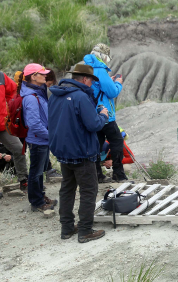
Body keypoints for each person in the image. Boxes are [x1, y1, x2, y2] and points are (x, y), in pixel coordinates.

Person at [49, 64, 109, 243]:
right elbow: (94, 125)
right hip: (82, 153)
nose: (91, 84)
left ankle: (66, 228)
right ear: (85, 79)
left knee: (67, 190)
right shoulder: (81, 97)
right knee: (89, 191)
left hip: (63, 152)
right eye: (91, 81)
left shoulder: (55, 95)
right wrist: (103, 115)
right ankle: (85, 231)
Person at [82, 43, 125, 183]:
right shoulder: (100, 69)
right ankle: (118, 174)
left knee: (97, 143)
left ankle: (97, 174)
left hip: (92, 112)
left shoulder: (87, 67)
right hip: (105, 113)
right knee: (117, 141)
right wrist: (118, 83)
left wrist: (109, 81)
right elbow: (112, 92)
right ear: (103, 56)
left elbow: (98, 86)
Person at [19, 64, 57, 212]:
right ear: (33, 77)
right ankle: (37, 202)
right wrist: (51, 135)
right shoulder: (31, 97)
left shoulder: (37, 92)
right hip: (38, 139)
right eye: (42, 74)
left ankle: (40, 197)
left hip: (41, 139)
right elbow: (34, 124)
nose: (45, 76)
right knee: (36, 172)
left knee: (39, 171)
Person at [0, 70, 28, 190]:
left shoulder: (1, 76)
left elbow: (12, 91)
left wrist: (11, 108)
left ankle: (23, 180)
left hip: (2, 125)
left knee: (18, 148)